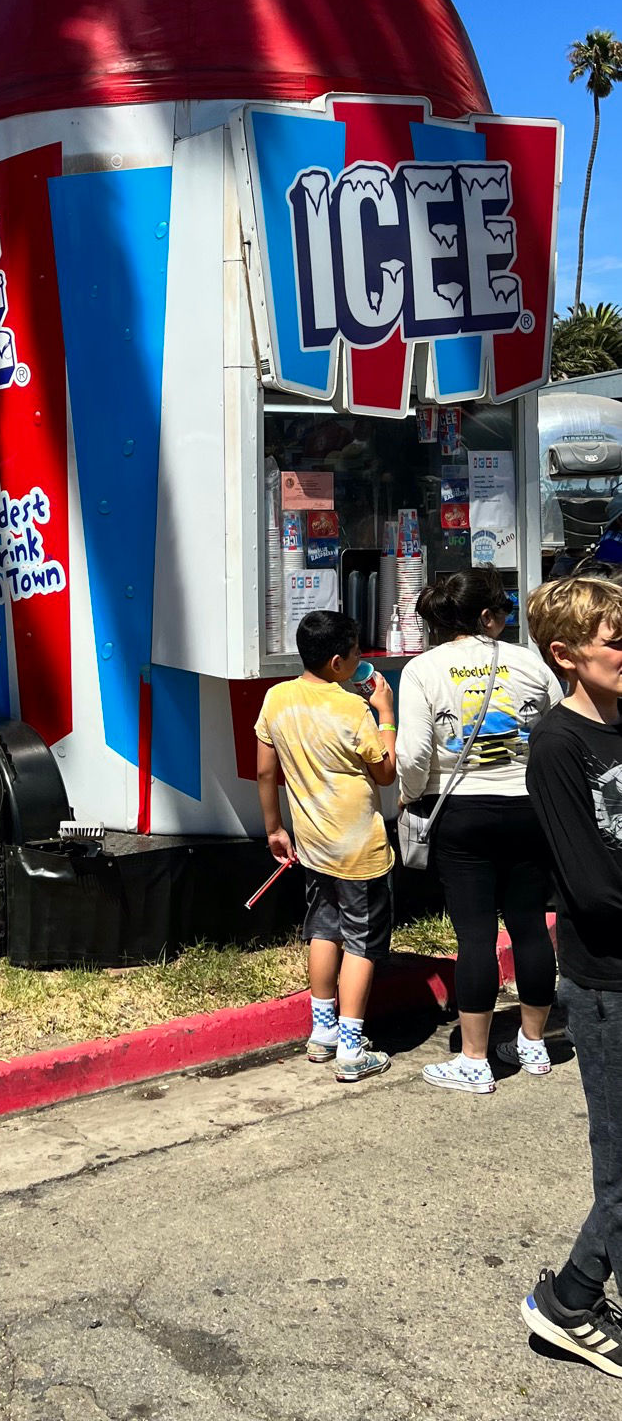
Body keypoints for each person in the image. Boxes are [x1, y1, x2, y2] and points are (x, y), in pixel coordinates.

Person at [396, 568, 562, 1094]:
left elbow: (415, 755)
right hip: (529, 808)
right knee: (531, 926)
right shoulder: (529, 663)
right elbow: (557, 728)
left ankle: (474, 1059)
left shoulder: (423, 669)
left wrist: (410, 793)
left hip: (462, 814)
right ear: (489, 616)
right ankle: (534, 1043)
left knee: (475, 936)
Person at [520, 576, 622, 1375]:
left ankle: (572, 1295)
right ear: (564, 655)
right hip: (605, 984)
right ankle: (570, 1302)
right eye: (615, 641)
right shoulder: (557, 746)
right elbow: (589, 886)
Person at [255, 608, 397, 1084]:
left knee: (323, 929)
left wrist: (275, 827)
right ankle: (353, 1048)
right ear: (338, 662)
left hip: (312, 844)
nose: (361, 660)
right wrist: (386, 715)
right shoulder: (353, 709)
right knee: (361, 941)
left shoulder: (276, 699)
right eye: (357, 654)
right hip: (360, 848)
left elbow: (264, 771)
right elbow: (386, 771)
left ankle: (323, 1033)